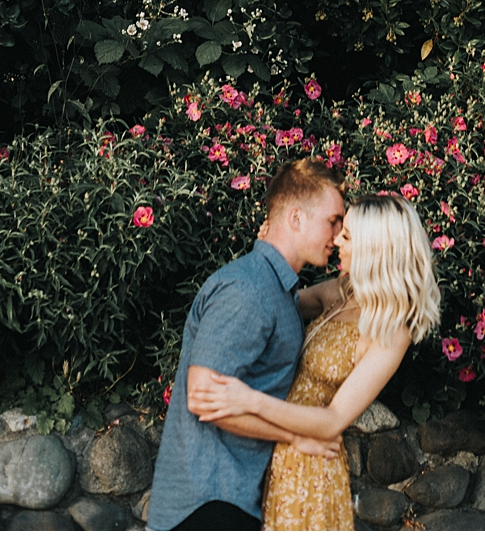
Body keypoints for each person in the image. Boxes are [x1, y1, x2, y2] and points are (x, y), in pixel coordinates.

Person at [188, 193, 443, 530]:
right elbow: (268, 305)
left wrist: (248, 399)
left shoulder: (392, 330)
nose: (336, 239)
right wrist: (268, 253)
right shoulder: (340, 292)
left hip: (306, 467)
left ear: (375, 250)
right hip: (269, 445)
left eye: (348, 236)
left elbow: (333, 420)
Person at [146, 159, 348, 531]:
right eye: (333, 221)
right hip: (207, 503)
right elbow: (203, 397)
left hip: (229, 499)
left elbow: (340, 294)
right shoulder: (248, 290)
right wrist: (296, 436)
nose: (337, 236)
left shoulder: (277, 291)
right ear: (297, 218)